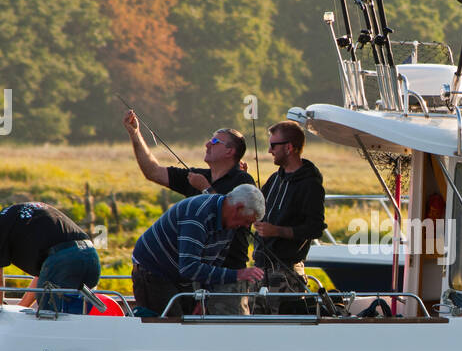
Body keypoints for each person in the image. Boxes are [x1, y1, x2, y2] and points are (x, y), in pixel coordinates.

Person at [124, 111, 258, 313]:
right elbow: (152, 171)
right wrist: (135, 134)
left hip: (226, 271)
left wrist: (205, 188)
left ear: (230, 151)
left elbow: (227, 210)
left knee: (227, 327)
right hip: (193, 271)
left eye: (215, 141)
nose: (207, 144)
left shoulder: (242, 181)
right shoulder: (196, 175)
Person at [131, 185, 266, 316]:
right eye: (247, 221)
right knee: (172, 326)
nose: (246, 226)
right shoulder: (198, 215)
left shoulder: (230, 225)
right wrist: (237, 275)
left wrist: (202, 299)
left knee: (189, 322)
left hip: (180, 275)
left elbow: (213, 264)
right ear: (238, 208)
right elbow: (189, 267)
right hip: (153, 270)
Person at [253, 120, 326, 313]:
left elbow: (315, 228)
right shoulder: (275, 179)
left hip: (286, 273)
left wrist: (276, 231)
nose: (269, 150)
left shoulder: (310, 185)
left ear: (289, 147)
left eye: (273, 145)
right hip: (260, 269)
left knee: (282, 329)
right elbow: (257, 207)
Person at [0, 203, 100, 314]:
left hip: (63, 262)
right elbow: (44, 275)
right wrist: (20, 307)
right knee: (75, 316)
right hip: (91, 257)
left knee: (50, 318)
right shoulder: (18, 218)